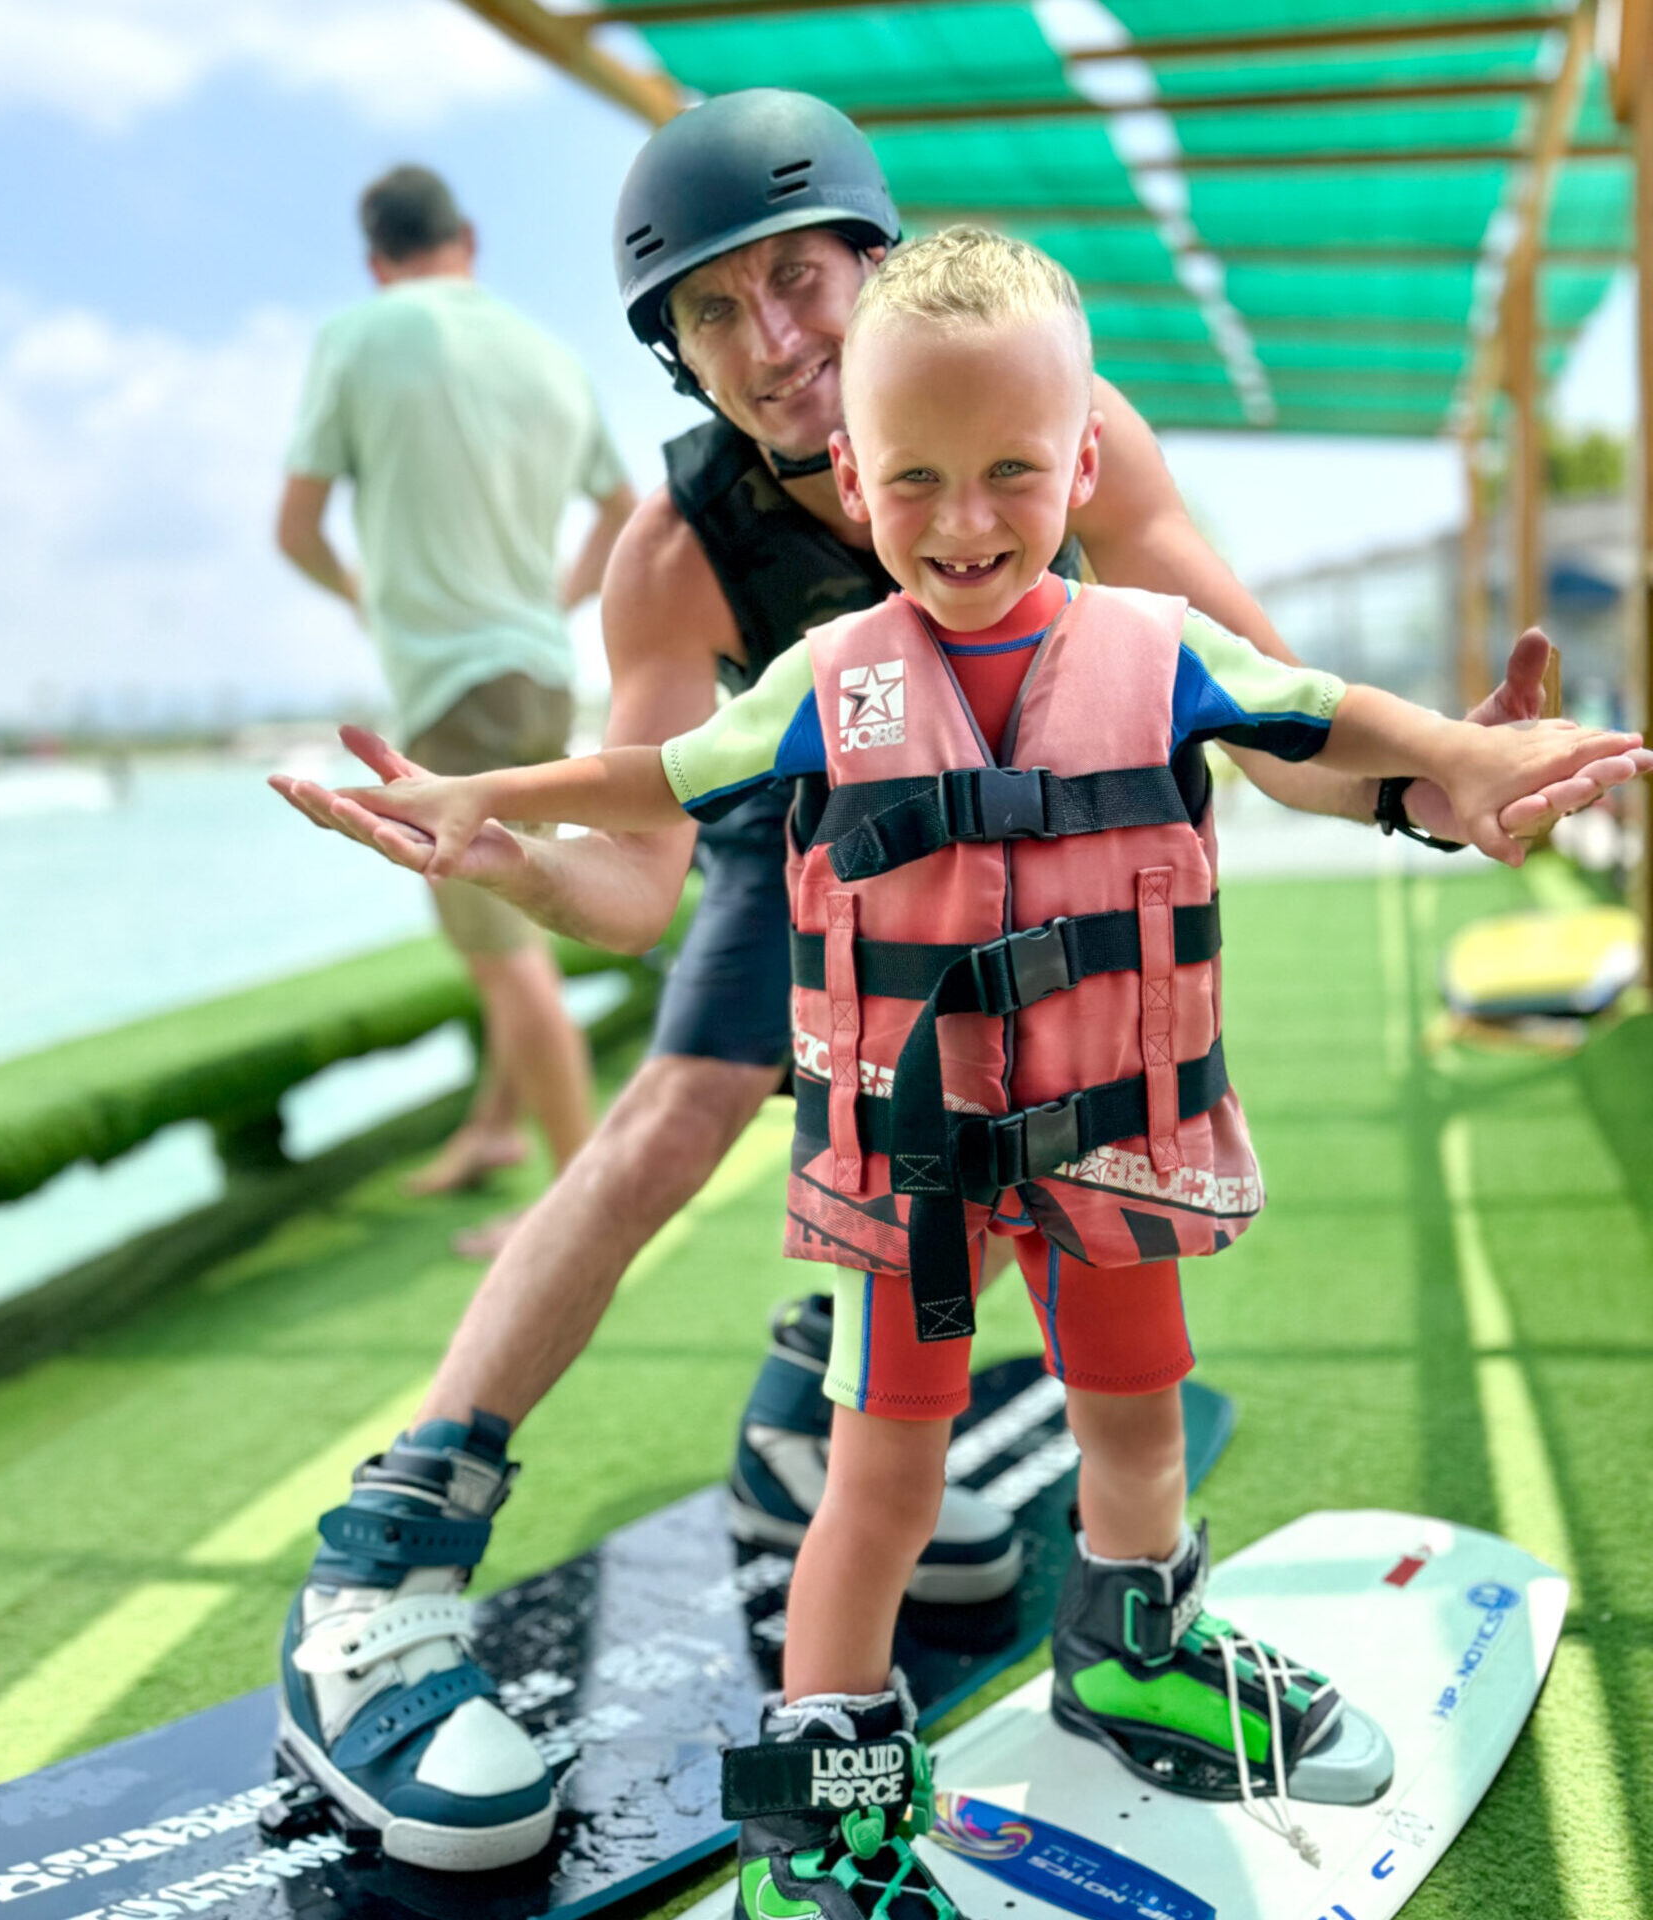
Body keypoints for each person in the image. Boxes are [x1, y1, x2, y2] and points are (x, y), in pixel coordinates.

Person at [267, 94, 1642, 1874]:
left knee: (1050, 1119)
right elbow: (633, 877)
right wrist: (514, 857)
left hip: (1049, 853)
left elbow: (1266, 713)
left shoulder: (1072, 421)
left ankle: (837, 1440)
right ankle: (385, 1568)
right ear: (678, 356)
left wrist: (1439, 784)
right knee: (678, 1111)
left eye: (799, 276)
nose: (774, 338)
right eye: (712, 309)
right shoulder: (677, 550)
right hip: (805, 813)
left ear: (878, 261)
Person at [276, 163, 636, 1254]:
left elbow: (296, 530)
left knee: (500, 949)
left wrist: (361, 594)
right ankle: (493, 1130)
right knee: (508, 903)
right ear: (467, 239)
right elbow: (621, 511)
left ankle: (576, 1210)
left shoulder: (359, 336)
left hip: (450, 688)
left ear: (375, 260)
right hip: (540, 672)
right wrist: (553, 604)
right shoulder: (549, 352)